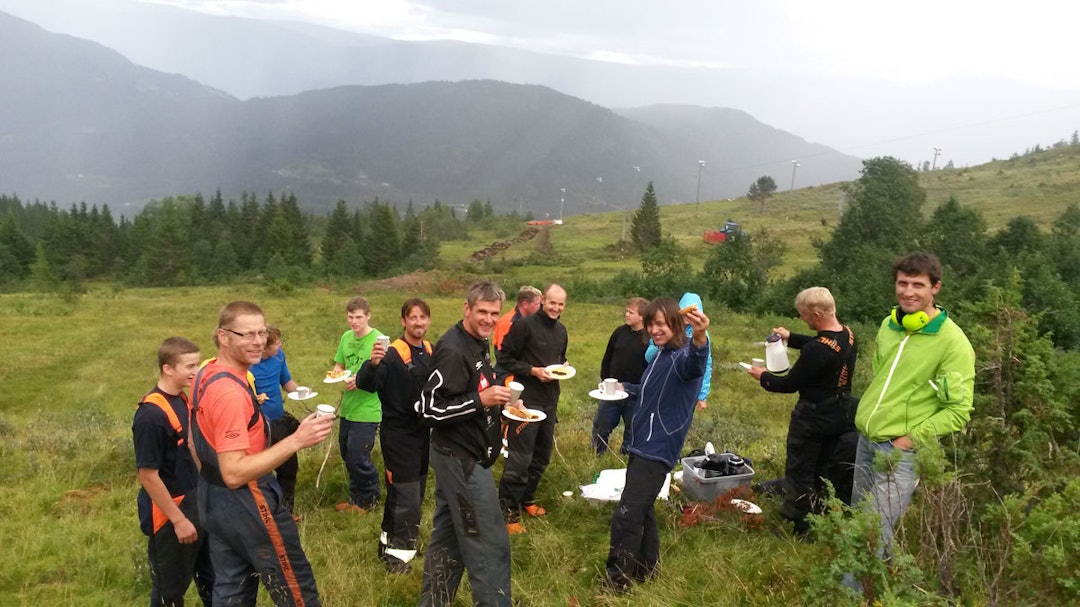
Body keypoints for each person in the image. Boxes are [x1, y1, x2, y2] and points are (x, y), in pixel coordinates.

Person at [189, 301, 334, 606]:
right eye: (247, 334)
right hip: (248, 501)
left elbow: (194, 439)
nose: (258, 342)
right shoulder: (230, 393)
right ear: (223, 336)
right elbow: (234, 472)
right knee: (296, 588)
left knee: (232, 587)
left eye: (262, 333)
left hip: (211, 499)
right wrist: (297, 440)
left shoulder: (206, 373)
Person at [852, 252, 975, 555]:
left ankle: (848, 595)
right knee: (862, 524)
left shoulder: (952, 341)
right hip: (866, 440)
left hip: (900, 452)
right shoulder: (889, 326)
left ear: (936, 288)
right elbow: (880, 377)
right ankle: (887, 587)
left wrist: (908, 441)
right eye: (902, 283)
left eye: (918, 285)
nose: (908, 291)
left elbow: (958, 412)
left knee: (870, 533)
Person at [417, 280, 522, 607]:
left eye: (494, 313)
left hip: (468, 455)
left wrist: (501, 408)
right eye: (482, 312)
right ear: (467, 309)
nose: (489, 319)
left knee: (448, 540)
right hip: (459, 460)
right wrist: (480, 400)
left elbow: (471, 393)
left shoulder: (478, 342)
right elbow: (427, 407)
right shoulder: (452, 350)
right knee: (489, 544)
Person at [605, 297, 710, 592]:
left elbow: (695, 364)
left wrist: (700, 336)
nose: (654, 329)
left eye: (661, 323)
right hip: (643, 444)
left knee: (627, 515)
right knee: (644, 510)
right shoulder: (663, 355)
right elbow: (653, 393)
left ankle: (616, 583)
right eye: (651, 324)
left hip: (657, 447)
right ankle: (646, 572)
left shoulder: (684, 356)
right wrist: (628, 388)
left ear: (676, 324)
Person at [745, 287, 858, 537]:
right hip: (838, 414)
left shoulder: (817, 350)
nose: (802, 319)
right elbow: (822, 346)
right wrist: (791, 337)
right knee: (822, 467)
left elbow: (786, 384)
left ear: (817, 314)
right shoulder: (848, 335)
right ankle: (819, 512)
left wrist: (762, 376)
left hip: (812, 418)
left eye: (803, 315)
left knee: (799, 470)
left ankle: (796, 525)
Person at [133, 336, 214, 606]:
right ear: (168, 368)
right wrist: (178, 520)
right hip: (169, 514)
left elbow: (190, 447)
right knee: (170, 590)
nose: (196, 372)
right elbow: (147, 475)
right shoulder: (150, 415)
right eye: (189, 366)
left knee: (211, 578)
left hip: (196, 501)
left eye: (197, 365)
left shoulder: (181, 398)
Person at [355, 298, 434, 574]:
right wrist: (372, 364)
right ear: (403, 321)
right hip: (398, 436)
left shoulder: (429, 350)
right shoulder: (391, 354)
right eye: (413, 317)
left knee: (406, 492)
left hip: (423, 434)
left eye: (423, 317)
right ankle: (399, 557)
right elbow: (366, 386)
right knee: (408, 495)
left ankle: (388, 542)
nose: (418, 322)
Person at [495, 283, 569, 532]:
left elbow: (559, 361)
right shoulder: (524, 326)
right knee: (519, 459)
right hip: (526, 401)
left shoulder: (561, 331)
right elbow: (504, 358)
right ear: (543, 301)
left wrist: (563, 367)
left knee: (541, 457)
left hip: (550, 401)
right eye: (552, 302)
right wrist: (532, 371)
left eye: (560, 304)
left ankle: (526, 499)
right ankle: (507, 513)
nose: (555, 307)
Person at [331, 296, 386, 513]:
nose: (354, 322)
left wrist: (360, 380)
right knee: (347, 454)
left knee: (357, 456)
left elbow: (383, 373)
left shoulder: (379, 339)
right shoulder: (346, 337)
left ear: (368, 316)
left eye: (359, 317)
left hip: (369, 409)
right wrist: (337, 373)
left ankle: (370, 498)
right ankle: (356, 499)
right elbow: (339, 363)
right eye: (350, 317)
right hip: (348, 408)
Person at [250, 325, 302, 515]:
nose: (279, 347)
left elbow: (286, 382)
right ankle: (265, 511)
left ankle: (286, 512)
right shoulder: (249, 365)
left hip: (279, 420)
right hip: (259, 425)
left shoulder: (279, 357)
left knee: (289, 467)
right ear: (263, 347)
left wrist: (302, 392)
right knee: (263, 472)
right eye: (276, 345)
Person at [592, 297, 649, 455]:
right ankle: (596, 455)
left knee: (633, 431)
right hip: (612, 392)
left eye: (631, 312)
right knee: (600, 426)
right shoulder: (619, 332)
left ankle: (626, 459)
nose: (627, 314)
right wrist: (604, 380)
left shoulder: (650, 338)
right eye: (627, 311)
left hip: (636, 394)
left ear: (642, 316)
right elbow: (607, 357)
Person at [644, 292, 713, 411]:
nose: (688, 316)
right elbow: (648, 357)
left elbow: (703, 364)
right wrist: (660, 343)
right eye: (685, 312)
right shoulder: (664, 329)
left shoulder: (700, 335)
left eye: (692, 313)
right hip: (660, 380)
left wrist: (702, 395)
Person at [491, 285, 541, 352]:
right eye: (537, 304)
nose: (539, 307)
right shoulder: (507, 323)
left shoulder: (531, 318)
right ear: (525, 304)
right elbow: (502, 352)